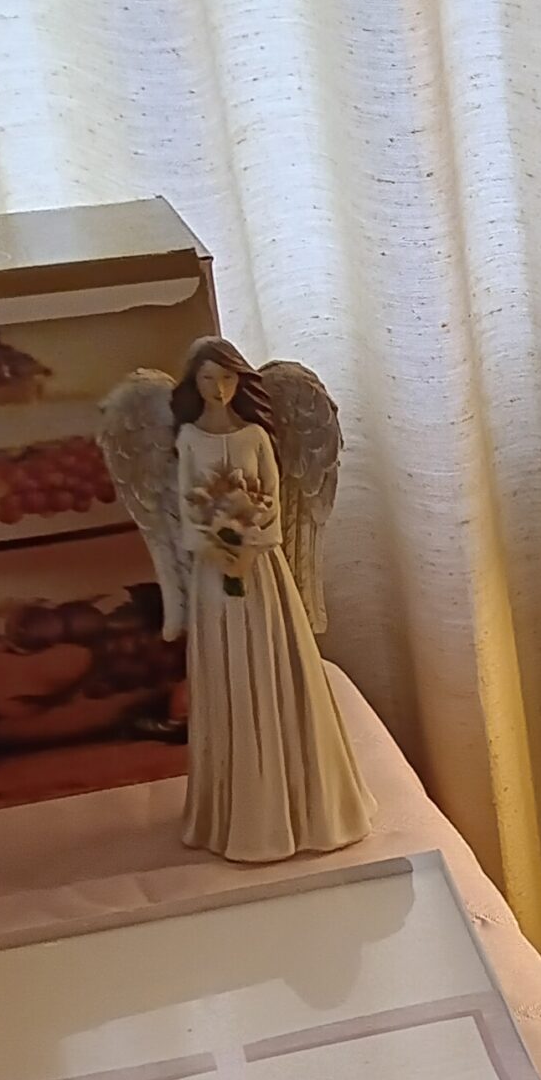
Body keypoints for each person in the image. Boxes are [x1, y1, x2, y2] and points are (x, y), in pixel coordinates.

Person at [169, 339, 372, 860]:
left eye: (227, 378)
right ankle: (240, 811)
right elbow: (187, 510)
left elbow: (274, 503)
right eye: (208, 379)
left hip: (261, 571)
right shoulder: (189, 439)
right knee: (230, 672)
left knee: (273, 661)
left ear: (240, 381)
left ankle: (303, 801)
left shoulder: (257, 436)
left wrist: (248, 545)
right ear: (194, 384)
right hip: (213, 573)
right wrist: (216, 546)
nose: (219, 389)